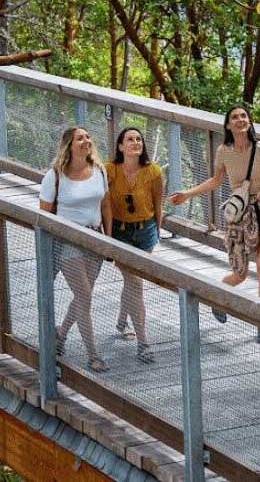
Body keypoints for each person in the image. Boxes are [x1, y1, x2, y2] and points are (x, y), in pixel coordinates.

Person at [169, 104, 260, 343]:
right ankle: (218, 297)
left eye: (244, 116)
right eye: (235, 117)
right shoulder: (224, 151)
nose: (240, 119)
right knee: (240, 273)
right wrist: (188, 194)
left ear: (250, 122)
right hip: (239, 213)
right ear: (228, 124)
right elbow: (215, 180)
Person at [39, 126, 111, 372]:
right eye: (80, 138)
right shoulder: (56, 176)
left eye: (88, 137)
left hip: (94, 238)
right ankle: (93, 355)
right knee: (85, 296)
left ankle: (60, 333)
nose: (86, 141)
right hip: (68, 240)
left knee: (84, 294)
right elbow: (45, 212)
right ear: (69, 145)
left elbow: (106, 206)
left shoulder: (99, 171)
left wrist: (108, 240)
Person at [107, 125, 164, 364]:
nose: (135, 143)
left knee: (131, 281)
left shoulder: (153, 172)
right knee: (135, 283)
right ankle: (144, 343)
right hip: (120, 232)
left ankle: (122, 321)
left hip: (145, 231)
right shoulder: (109, 170)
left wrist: (157, 232)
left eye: (138, 139)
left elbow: (158, 204)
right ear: (121, 146)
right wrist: (107, 237)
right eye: (129, 139)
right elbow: (105, 205)